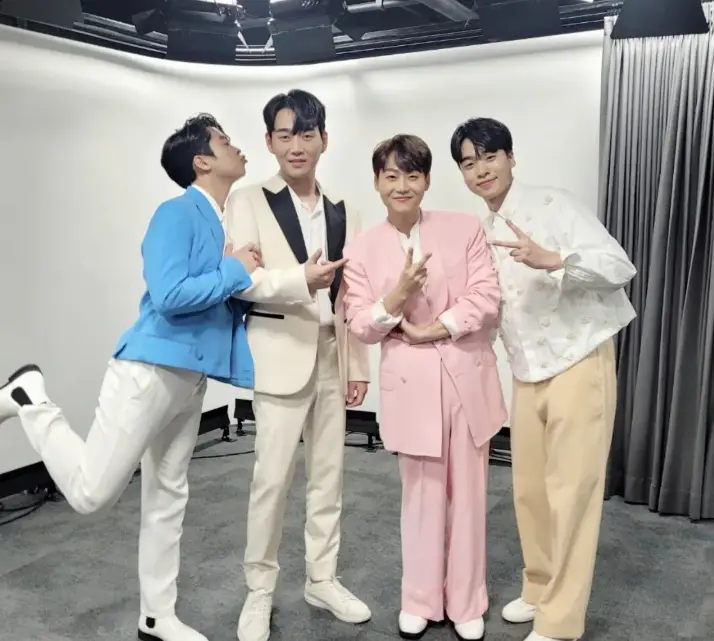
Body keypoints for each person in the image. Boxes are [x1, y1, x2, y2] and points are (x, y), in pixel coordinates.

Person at [0, 113, 338, 641]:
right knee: (90, 493)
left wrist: (244, 271)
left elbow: (228, 294)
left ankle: (157, 615)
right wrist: (236, 269)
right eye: (224, 142)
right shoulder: (176, 213)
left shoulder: (220, 222)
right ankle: (30, 398)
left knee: (167, 496)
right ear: (202, 161)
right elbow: (169, 294)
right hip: (150, 370)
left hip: (190, 377)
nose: (238, 148)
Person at [450, 117, 637, 641]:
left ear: (511, 158)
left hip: (579, 359)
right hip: (526, 370)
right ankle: (538, 588)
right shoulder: (481, 230)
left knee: (572, 493)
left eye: (489, 156)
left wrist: (554, 260)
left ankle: (561, 621)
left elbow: (619, 267)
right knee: (530, 490)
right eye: (469, 163)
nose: (481, 170)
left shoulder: (556, 204)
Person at [341, 134, 507, 641]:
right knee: (420, 497)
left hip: (466, 377)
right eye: (391, 176)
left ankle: (467, 600)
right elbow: (360, 323)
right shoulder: (361, 248)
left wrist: (432, 329)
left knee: (470, 497)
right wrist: (397, 296)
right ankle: (419, 598)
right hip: (410, 385)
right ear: (377, 182)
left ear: (427, 180)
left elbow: (487, 296)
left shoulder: (463, 228)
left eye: (412, 175)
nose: (402, 185)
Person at [225, 89, 372, 641]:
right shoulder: (247, 199)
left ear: (323, 140)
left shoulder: (344, 208)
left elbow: (354, 293)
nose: (296, 146)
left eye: (306, 134)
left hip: (334, 352)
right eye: (285, 135)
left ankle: (322, 578)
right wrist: (299, 280)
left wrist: (358, 364)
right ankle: (259, 590)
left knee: (329, 477)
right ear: (269, 141)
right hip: (279, 353)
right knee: (271, 480)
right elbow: (240, 279)